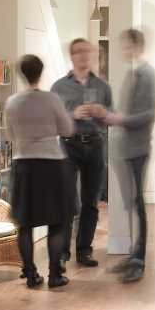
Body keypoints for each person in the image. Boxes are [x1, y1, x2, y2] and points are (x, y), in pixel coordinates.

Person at [77, 26, 155, 283]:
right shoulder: (133, 74)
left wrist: (117, 118)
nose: (124, 50)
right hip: (127, 149)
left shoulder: (147, 75)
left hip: (138, 149)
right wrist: (109, 115)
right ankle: (134, 256)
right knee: (132, 204)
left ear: (136, 46)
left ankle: (139, 260)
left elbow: (150, 114)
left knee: (139, 206)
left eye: (126, 46)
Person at [3, 53, 76, 289]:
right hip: (51, 165)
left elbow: (10, 135)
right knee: (57, 221)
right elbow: (66, 130)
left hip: (24, 165)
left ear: (22, 73)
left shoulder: (12, 102)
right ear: (41, 72)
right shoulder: (51, 99)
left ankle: (31, 274)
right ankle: (55, 275)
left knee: (25, 223)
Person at [50, 37, 113, 268]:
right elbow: (52, 122)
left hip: (96, 145)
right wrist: (72, 115)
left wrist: (102, 112)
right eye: (78, 52)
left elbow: (111, 119)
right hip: (68, 145)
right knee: (67, 201)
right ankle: (63, 253)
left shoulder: (103, 87)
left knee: (91, 202)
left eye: (87, 51)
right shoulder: (58, 87)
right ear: (72, 55)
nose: (83, 55)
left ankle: (84, 251)